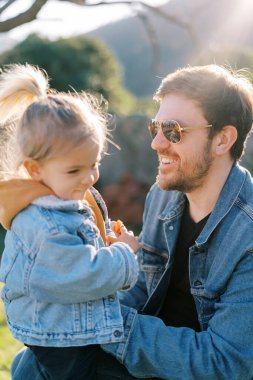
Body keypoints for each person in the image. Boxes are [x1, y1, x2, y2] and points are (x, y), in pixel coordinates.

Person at [1, 63, 253, 380]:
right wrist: (103, 269)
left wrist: (103, 321)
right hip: (142, 357)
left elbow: (227, 364)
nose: (156, 143)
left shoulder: (248, 237)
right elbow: (143, 287)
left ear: (222, 140)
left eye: (173, 130)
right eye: (154, 129)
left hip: (186, 368)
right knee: (31, 364)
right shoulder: (163, 197)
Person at [0, 63, 141, 380]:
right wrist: (123, 254)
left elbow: (77, 249)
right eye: (74, 171)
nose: (89, 178)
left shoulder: (61, 201)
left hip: (59, 327)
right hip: (61, 339)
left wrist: (105, 239)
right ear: (35, 170)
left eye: (94, 164)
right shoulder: (45, 221)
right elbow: (79, 275)